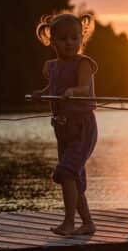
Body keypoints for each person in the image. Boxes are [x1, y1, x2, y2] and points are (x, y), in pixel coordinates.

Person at [31, 12, 98, 236]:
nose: (69, 43)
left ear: (81, 39)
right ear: (52, 40)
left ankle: (69, 223)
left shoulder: (84, 64)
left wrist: (73, 91)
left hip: (82, 128)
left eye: (74, 38)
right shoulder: (53, 67)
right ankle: (87, 223)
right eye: (63, 39)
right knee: (74, 178)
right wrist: (40, 94)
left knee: (67, 173)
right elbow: (52, 89)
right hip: (63, 130)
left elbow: (85, 88)